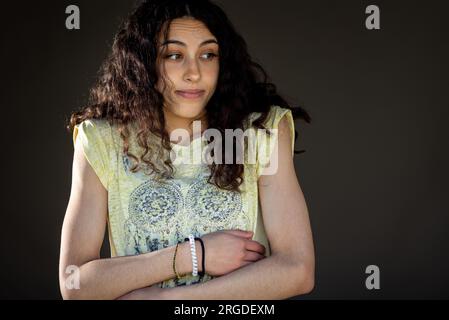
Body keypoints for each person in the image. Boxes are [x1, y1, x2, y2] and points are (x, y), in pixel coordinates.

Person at [59, 0, 315, 300]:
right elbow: (74, 284)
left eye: (208, 55)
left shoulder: (262, 131)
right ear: (143, 62)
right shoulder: (102, 140)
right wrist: (194, 255)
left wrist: (169, 300)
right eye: (174, 55)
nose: (194, 72)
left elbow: (298, 269)